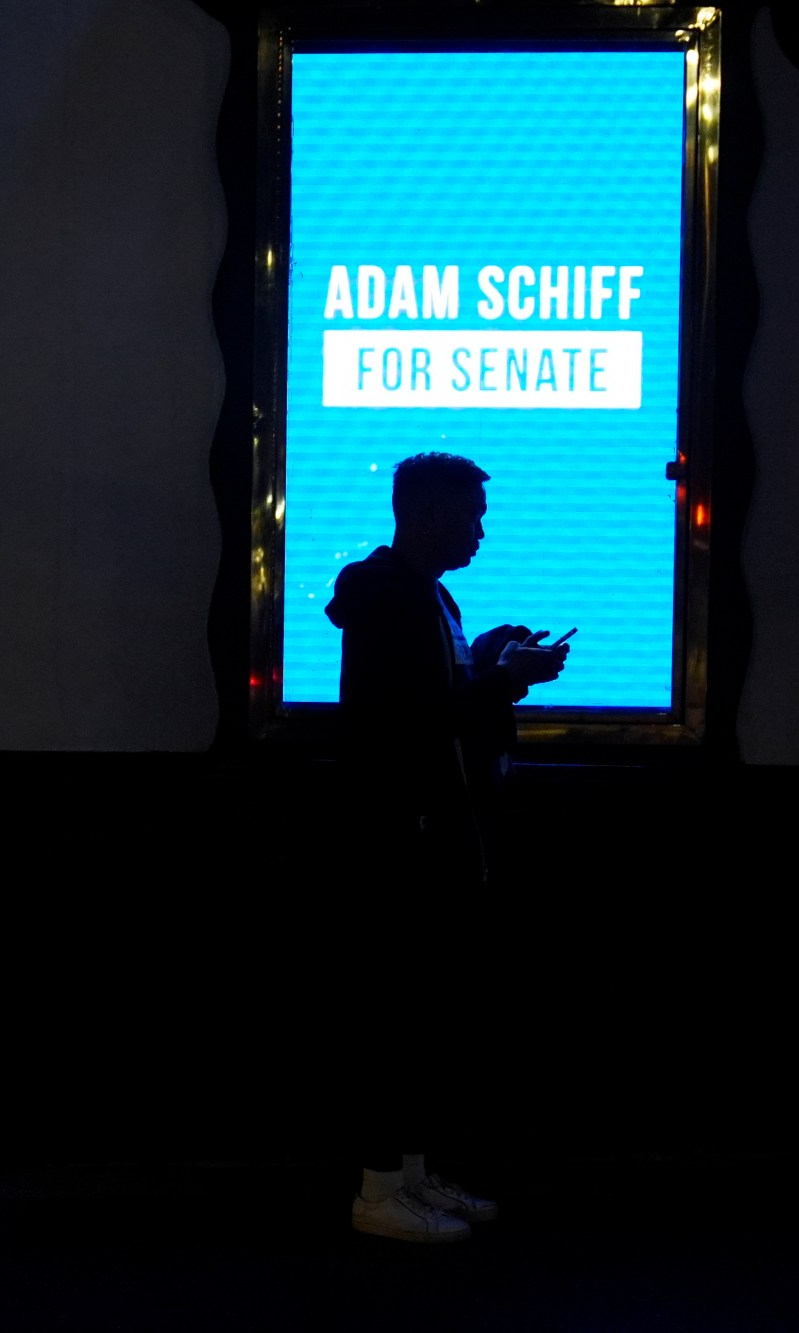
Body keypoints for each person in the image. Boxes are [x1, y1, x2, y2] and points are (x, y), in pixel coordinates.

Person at [323, 452, 569, 1244]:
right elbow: (412, 720)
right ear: (427, 515)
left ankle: (413, 1176)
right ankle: (380, 1190)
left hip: (429, 838)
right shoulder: (393, 600)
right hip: (404, 843)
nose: (481, 530)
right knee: (396, 1019)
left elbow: (436, 696)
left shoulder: (425, 596)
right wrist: (507, 679)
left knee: (421, 1017)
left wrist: (491, 656)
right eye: (471, 515)